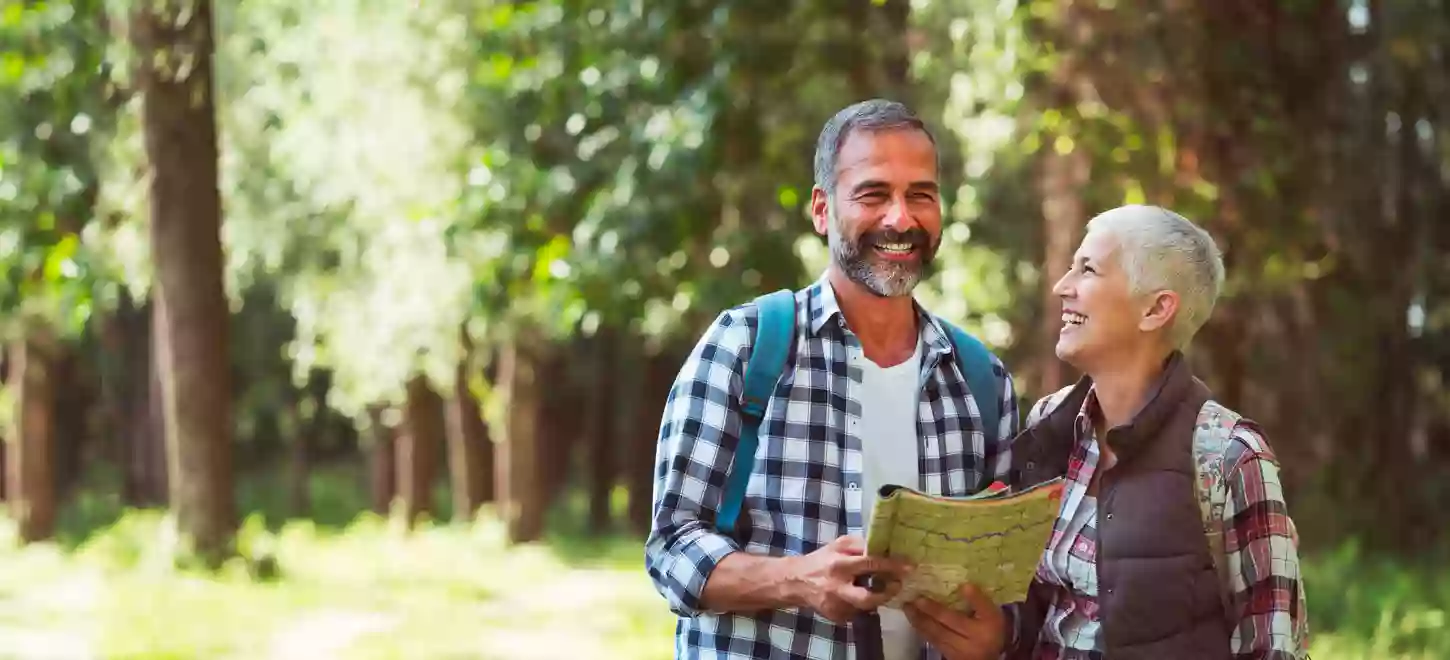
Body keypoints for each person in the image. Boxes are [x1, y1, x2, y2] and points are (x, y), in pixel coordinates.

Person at [644, 98, 1021, 659]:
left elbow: (1006, 576)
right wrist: (797, 579)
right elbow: (672, 551)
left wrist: (999, 635)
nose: (901, 218)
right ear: (822, 210)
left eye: (921, 194)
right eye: (874, 194)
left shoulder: (981, 380)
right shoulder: (746, 346)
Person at [904, 205, 1310, 659]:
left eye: (1088, 269)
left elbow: (1274, 647)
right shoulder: (1049, 423)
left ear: (1156, 309)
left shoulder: (1230, 454)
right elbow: (1040, 604)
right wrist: (1001, 636)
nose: (1062, 287)